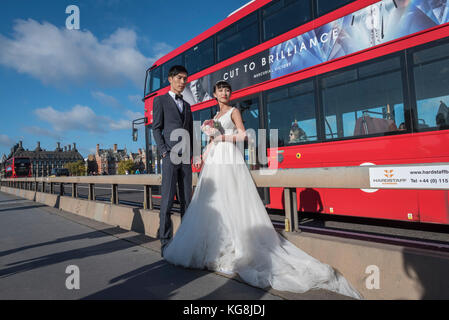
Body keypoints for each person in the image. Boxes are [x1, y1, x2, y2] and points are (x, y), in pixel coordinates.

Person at [163, 80, 362, 299]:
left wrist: (222, 137)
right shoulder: (215, 117)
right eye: (221, 90)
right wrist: (203, 153)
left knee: (233, 200)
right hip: (215, 160)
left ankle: (237, 249)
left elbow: (244, 135)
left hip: (230, 157)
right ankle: (217, 247)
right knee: (217, 203)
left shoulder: (234, 111)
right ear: (214, 94)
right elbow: (212, 140)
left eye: (227, 89)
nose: (225, 92)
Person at [152, 65, 202, 255]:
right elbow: (156, 128)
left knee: (187, 201)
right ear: (170, 79)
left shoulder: (188, 106)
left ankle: (185, 240)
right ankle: (165, 242)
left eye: (185, 79)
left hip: (186, 159)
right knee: (167, 201)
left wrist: (195, 153)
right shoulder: (160, 100)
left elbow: (191, 133)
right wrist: (164, 151)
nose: (183, 82)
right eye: (180, 78)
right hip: (170, 156)